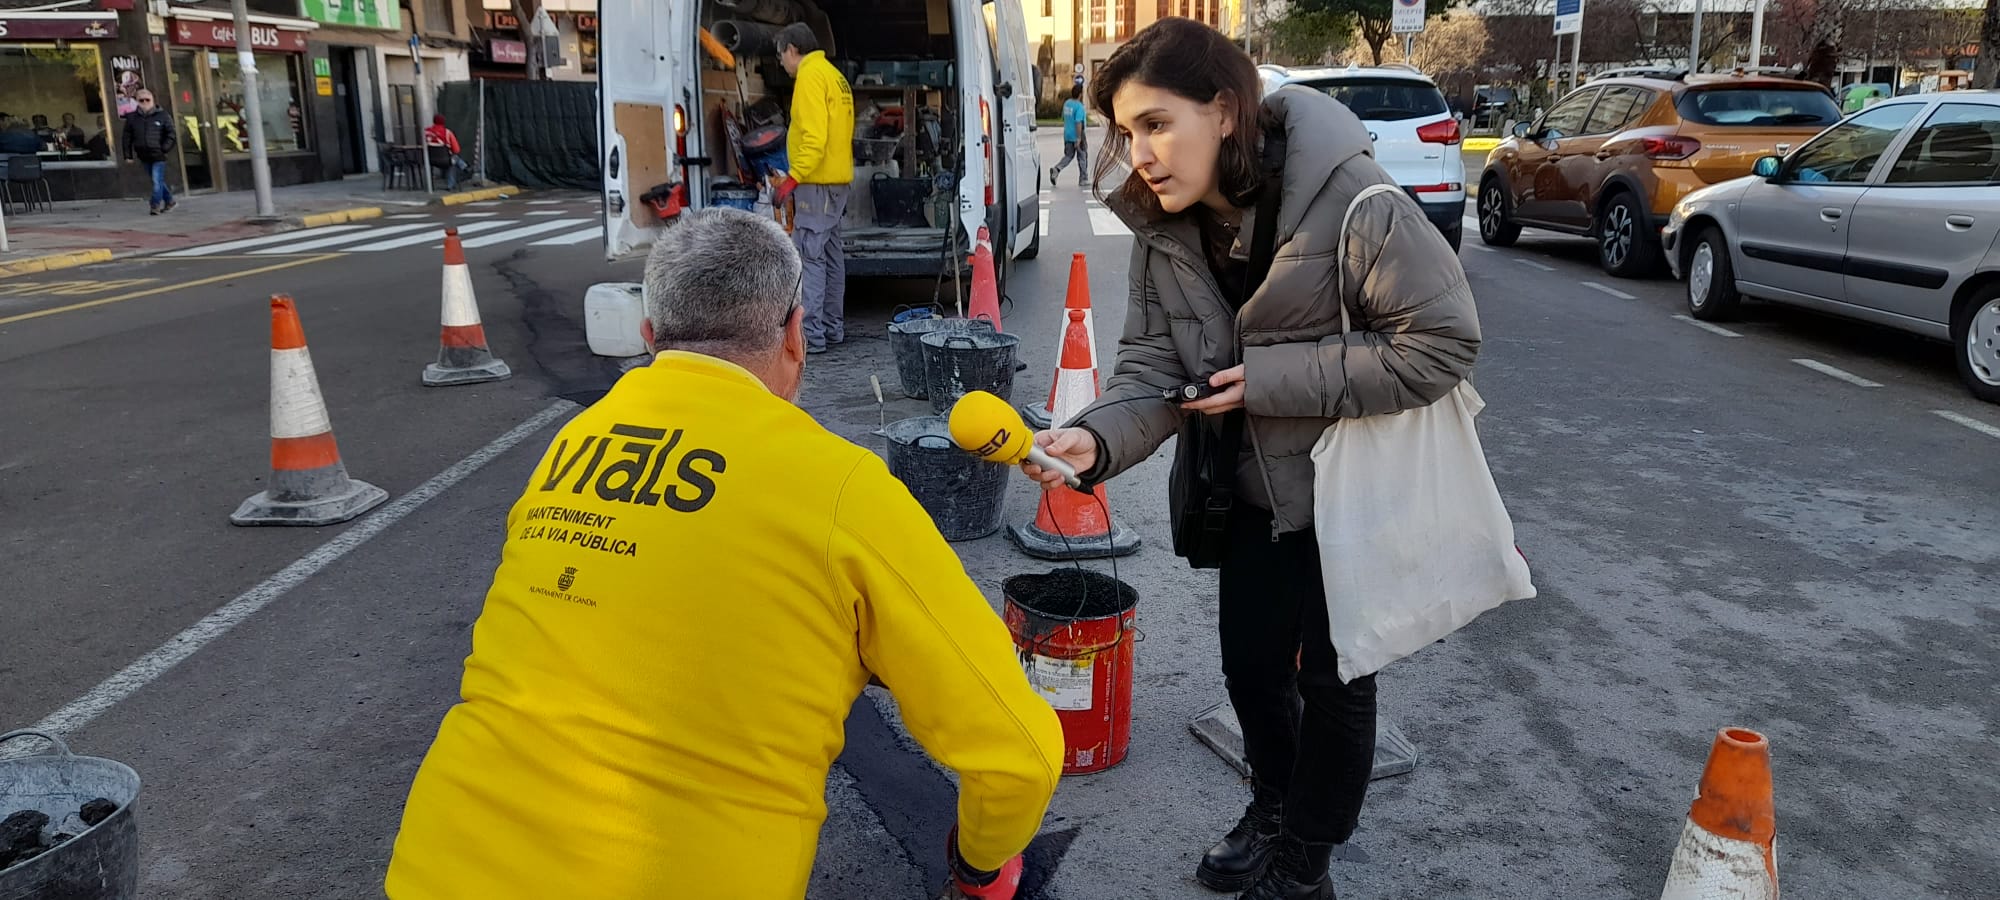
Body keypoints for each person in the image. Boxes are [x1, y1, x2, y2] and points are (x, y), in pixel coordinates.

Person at [385, 208, 1063, 900]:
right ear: (796, 334)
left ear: (650, 337)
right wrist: (979, 865)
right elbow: (1022, 757)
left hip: (438, 866)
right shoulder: (839, 488)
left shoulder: (574, 444)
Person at [1018, 18, 1480, 900]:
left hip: (1348, 496)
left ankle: (1305, 862)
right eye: (1127, 131)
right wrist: (1098, 440)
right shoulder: (1163, 227)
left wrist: (1269, 380)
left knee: (1335, 682)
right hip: (1248, 497)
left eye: (1158, 123)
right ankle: (1272, 807)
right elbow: (1153, 365)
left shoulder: (1353, 202)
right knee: (1251, 670)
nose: (1141, 152)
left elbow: (1443, 343)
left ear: (1225, 110)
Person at [772, 21, 854, 354]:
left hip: (816, 184)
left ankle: (811, 336)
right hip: (835, 182)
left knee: (810, 256)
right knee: (832, 257)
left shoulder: (809, 77)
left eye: (781, 55)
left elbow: (814, 137)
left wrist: (792, 178)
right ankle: (832, 329)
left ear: (793, 49)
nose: (781, 62)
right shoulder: (833, 74)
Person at [121, 91, 177, 215]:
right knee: (158, 181)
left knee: (157, 181)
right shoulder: (132, 118)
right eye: (141, 100)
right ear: (136, 101)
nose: (145, 102)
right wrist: (127, 155)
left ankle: (155, 205)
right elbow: (126, 138)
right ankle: (170, 201)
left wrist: (164, 148)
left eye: (148, 100)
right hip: (143, 154)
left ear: (153, 100)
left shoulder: (162, 115)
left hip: (159, 155)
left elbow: (171, 134)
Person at [1048, 85, 1092, 188]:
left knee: (1068, 155)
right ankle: (1083, 179)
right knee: (1082, 156)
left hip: (1067, 134)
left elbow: (1064, 118)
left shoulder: (1067, 104)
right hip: (1078, 134)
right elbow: (1078, 123)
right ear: (1080, 94)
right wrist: (1079, 138)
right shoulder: (1079, 107)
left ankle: (1057, 169)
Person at [422, 114, 466, 190]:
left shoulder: (425, 132)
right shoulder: (447, 133)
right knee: (453, 160)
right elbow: (456, 149)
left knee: (454, 159)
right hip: (445, 160)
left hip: (429, 160)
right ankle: (451, 184)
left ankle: (464, 166)